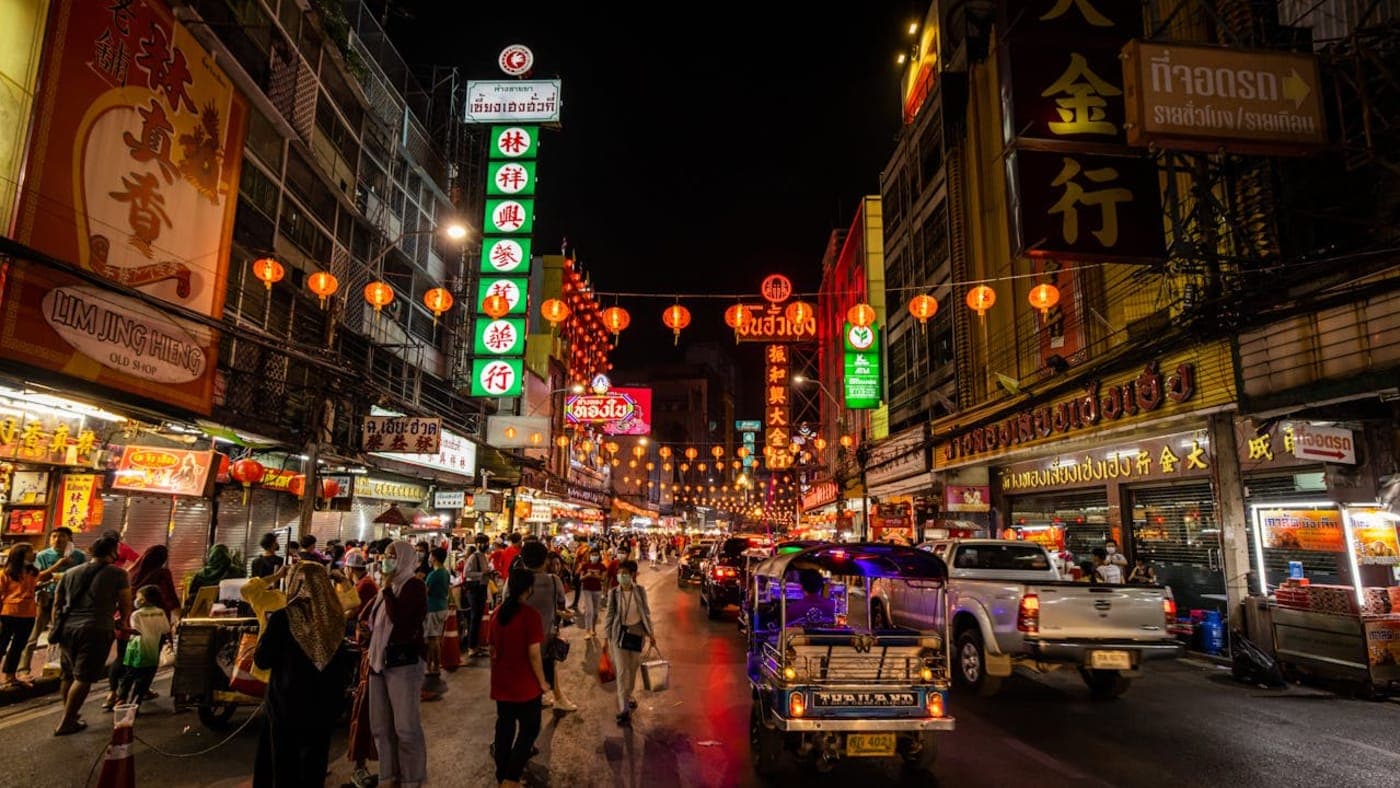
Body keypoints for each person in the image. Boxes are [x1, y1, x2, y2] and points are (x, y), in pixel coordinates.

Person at [253, 562, 349, 787]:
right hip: (325, 704)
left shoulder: (283, 618)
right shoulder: (335, 619)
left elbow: (262, 660)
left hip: (287, 705)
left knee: (285, 765)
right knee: (314, 764)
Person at [364, 541, 428, 788]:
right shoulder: (385, 589)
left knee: (406, 728)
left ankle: (413, 778)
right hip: (378, 662)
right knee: (380, 726)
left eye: (392, 556)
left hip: (403, 664)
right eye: (385, 555)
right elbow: (372, 619)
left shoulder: (413, 586)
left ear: (403, 559)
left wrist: (389, 590)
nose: (386, 560)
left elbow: (401, 623)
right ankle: (387, 776)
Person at [53, 536, 131, 736]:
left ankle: (70, 714)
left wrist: (56, 626)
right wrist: (123, 622)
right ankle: (67, 721)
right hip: (96, 628)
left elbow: (57, 604)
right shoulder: (118, 574)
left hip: (68, 628)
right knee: (84, 676)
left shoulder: (70, 573)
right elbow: (125, 602)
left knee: (68, 674)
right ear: (113, 552)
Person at [490, 569, 551, 788]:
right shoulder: (530, 616)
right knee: (529, 730)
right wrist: (543, 683)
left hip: (502, 683)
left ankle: (502, 776)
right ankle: (511, 778)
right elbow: (534, 655)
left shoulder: (497, 613)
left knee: (504, 729)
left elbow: (492, 650)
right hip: (525, 685)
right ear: (528, 589)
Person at [104, 544, 179, 708]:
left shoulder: (132, 572)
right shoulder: (162, 574)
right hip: (152, 626)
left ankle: (114, 693)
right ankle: (140, 693)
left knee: (123, 659)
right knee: (149, 663)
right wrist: (179, 619)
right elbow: (171, 598)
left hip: (127, 622)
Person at [18, 527, 86, 679]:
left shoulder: (79, 556)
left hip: (69, 601)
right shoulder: (43, 556)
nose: (57, 539)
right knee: (33, 635)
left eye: (61, 536)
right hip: (46, 598)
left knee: (64, 636)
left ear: (69, 539)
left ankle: (64, 668)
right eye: (54, 536)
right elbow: (38, 577)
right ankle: (23, 669)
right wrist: (59, 564)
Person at [520, 540, 577, 712]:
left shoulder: (515, 581)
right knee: (549, 668)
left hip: (521, 636)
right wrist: (563, 614)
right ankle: (557, 698)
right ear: (545, 561)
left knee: (526, 669)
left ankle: (536, 697)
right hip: (545, 635)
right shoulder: (553, 581)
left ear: (523, 560)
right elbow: (560, 605)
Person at [603, 559, 656, 727]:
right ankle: (624, 708)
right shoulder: (614, 593)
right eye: (619, 574)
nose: (621, 576)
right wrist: (606, 637)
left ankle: (629, 693)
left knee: (633, 669)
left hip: (637, 634)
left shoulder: (640, 591)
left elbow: (646, 613)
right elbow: (610, 615)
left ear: (633, 575)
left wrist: (651, 633)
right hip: (619, 634)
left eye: (624, 574)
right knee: (621, 672)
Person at [1, 544, 60, 689]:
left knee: (18, 646)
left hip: (28, 614)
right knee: (1, 645)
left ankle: (10, 676)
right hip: (9, 613)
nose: (34, 554)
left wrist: (44, 584)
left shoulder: (32, 572)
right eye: (30, 552)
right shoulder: (6, 573)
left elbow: (34, 585)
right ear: (21, 555)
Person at [116, 586, 171, 711]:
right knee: (144, 680)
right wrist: (171, 644)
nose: (136, 600)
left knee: (129, 675)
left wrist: (122, 628)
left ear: (144, 600)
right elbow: (166, 630)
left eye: (138, 597)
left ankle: (121, 699)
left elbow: (136, 632)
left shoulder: (137, 614)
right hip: (151, 651)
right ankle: (134, 704)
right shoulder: (160, 612)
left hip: (135, 651)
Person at [422, 547, 451, 698]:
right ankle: (434, 665)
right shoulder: (445, 572)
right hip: (442, 607)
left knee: (432, 639)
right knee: (436, 638)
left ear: (435, 558)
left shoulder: (434, 574)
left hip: (433, 608)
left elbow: (425, 591)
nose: (428, 558)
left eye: (430, 556)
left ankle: (433, 666)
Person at [184, 544, 242, 615]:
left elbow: (191, 596)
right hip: (230, 613)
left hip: (203, 613)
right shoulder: (236, 572)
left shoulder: (200, 574)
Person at [461, 534, 491, 658]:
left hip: (482, 588)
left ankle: (476, 645)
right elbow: (466, 573)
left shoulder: (484, 556)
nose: (487, 545)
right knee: (474, 618)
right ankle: (471, 647)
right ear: (478, 544)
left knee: (478, 618)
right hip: (474, 590)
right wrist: (481, 574)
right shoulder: (474, 557)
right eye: (485, 543)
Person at [577, 551, 607, 641]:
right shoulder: (585, 566)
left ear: (599, 556)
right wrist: (587, 575)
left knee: (596, 612)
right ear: (589, 556)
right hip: (587, 590)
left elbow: (603, 578)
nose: (594, 556)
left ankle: (593, 629)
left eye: (596, 555)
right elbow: (581, 578)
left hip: (597, 591)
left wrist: (595, 575)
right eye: (593, 554)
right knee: (589, 611)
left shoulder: (602, 566)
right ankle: (587, 631)